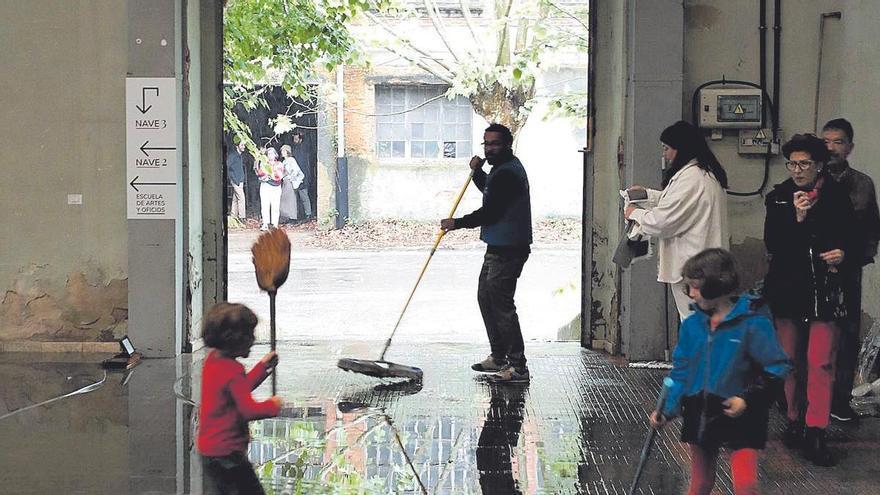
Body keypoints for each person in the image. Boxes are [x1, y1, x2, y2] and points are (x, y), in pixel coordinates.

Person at [650, 248, 791, 495]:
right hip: (701, 412)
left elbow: (777, 367)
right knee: (700, 484)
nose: (691, 293)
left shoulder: (753, 323)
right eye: (689, 286)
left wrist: (747, 399)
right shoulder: (693, 325)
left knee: (745, 485)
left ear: (717, 284)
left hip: (743, 417)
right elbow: (680, 372)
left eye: (696, 286)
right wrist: (667, 409)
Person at [763, 133, 856, 466]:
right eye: (792, 164)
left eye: (804, 164)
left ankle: (817, 430)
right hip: (789, 290)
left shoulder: (839, 197)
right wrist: (798, 220)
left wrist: (844, 254)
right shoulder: (778, 198)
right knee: (789, 360)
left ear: (819, 166)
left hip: (826, 293)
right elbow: (774, 244)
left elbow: (855, 240)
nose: (797, 170)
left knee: (821, 361)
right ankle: (793, 417)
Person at [440, 123, 532, 383]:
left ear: (507, 145)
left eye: (495, 144)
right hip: (497, 246)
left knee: (501, 305)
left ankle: (518, 367)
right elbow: (490, 190)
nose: (489, 149)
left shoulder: (508, 172)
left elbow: (491, 211)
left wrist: (456, 223)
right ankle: (499, 356)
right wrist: (478, 172)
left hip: (509, 248)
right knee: (486, 298)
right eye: (486, 144)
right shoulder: (500, 170)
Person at [624, 120, 730, 321]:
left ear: (681, 149)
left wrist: (634, 213)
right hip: (705, 264)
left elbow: (662, 221)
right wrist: (647, 195)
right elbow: (677, 203)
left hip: (694, 267)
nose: (664, 154)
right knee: (702, 323)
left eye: (667, 148)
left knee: (695, 324)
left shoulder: (692, 178)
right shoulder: (702, 173)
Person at [822, 118, 880, 423]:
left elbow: (871, 229)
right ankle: (803, 400)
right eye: (826, 141)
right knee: (811, 336)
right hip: (813, 272)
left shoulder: (862, 184)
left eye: (838, 142)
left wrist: (857, 257)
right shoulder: (812, 181)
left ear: (850, 147)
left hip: (848, 271)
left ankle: (840, 401)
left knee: (845, 336)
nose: (831, 148)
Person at [197, 302, 282, 495]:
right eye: (250, 335)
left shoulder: (214, 361)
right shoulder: (233, 370)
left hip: (210, 449)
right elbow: (247, 409)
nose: (254, 340)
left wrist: (263, 368)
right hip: (228, 451)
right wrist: (273, 406)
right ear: (235, 340)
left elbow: (238, 390)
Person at [254, 147, 285, 231]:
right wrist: (270, 174)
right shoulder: (264, 164)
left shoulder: (279, 164)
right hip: (265, 186)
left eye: (272, 153)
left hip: (276, 187)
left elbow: (279, 176)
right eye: (268, 154)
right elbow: (260, 173)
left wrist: (269, 174)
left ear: (275, 155)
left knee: (275, 206)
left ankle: (275, 224)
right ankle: (265, 223)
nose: (270, 155)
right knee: (265, 205)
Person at [279, 144, 305, 223]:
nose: (282, 152)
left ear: (287, 152)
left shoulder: (291, 160)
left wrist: (291, 177)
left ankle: (292, 217)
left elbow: (296, 170)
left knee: (291, 200)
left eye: (284, 151)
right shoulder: (284, 161)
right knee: (284, 199)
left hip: (290, 182)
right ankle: (286, 216)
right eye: (282, 151)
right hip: (285, 182)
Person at [291, 132, 313, 219]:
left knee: (304, 196)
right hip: (295, 176)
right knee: (295, 197)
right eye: (294, 139)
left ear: (300, 139)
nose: (295, 141)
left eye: (296, 139)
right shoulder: (295, 149)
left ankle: (308, 213)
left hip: (303, 175)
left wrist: (305, 177)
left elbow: (305, 165)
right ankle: (298, 214)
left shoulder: (304, 149)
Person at [227, 141, 247, 221]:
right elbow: (227, 166)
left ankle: (233, 216)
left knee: (236, 198)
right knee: (241, 198)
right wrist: (232, 178)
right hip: (236, 180)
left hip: (240, 180)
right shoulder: (233, 156)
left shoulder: (239, 155)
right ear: (237, 146)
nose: (243, 147)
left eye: (244, 145)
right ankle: (242, 217)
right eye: (242, 145)